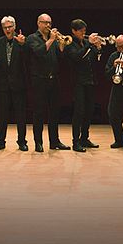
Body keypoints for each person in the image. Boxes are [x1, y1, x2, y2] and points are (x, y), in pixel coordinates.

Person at [26, 13, 70, 152]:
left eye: (49, 23)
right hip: (39, 79)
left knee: (55, 112)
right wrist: (51, 40)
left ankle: (54, 141)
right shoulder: (32, 38)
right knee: (39, 112)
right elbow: (39, 52)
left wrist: (61, 45)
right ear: (38, 23)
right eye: (45, 23)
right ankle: (38, 143)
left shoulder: (54, 39)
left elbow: (60, 56)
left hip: (54, 79)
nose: (48, 26)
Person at [0, 16, 28, 152]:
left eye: (10, 27)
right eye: (5, 27)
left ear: (15, 27)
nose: (8, 29)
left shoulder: (22, 40)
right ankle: (0, 141)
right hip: (3, 84)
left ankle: (22, 141)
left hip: (19, 83)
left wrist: (23, 45)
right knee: (2, 114)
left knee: (20, 114)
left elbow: (28, 59)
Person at [64, 19, 101, 152]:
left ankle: (85, 138)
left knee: (89, 111)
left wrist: (97, 49)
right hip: (78, 82)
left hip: (90, 81)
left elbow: (93, 60)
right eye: (81, 31)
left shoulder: (86, 43)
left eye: (84, 31)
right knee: (79, 112)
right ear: (73, 31)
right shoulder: (69, 44)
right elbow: (77, 58)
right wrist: (89, 46)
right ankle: (76, 142)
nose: (83, 34)